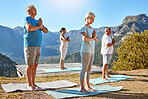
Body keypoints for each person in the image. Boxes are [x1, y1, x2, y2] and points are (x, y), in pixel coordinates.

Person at [24, 5, 48, 90]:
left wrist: (41, 26)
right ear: (29, 11)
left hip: (38, 45)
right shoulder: (27, 19)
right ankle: (29, 84)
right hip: (30, 45)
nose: (36, 10)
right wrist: (39, 26)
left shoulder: (37, 21)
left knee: (35, 65)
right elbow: (29, 28)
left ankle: (34, 83)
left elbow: (46, 30)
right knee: (30, 65)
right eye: (34, 9)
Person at [80, 12, 99, 94]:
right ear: (87, 18)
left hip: (92, 51)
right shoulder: (83, 27)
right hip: (85, 50)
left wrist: (95, 36)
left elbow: (96, 39)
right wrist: (93, 37)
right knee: (84, 69)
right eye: (91, 19)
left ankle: (88, 86)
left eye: (93, 19)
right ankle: (82, 87)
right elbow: (84, 39)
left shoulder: (92, 28)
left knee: (89, 69)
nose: (93, 21)